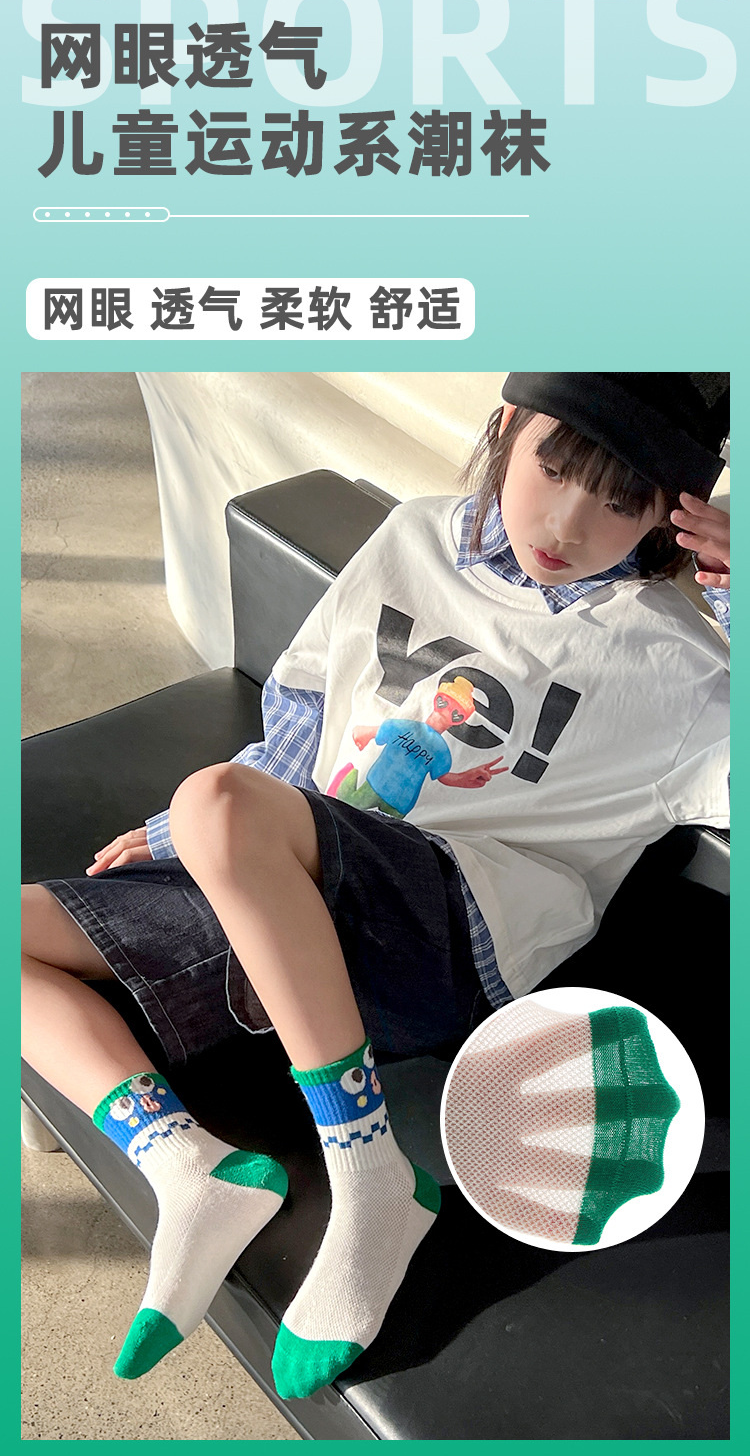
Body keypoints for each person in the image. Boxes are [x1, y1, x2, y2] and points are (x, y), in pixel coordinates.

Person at [21, 372, 730, 1402]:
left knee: (216, 801)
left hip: (451, 942)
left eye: (621, 501)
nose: (568, 523)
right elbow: (305, 716)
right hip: (296, 900)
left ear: (672, 514)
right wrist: (196, 841)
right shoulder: (415, 534)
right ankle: (189, 1171)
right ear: (506, 426)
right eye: (553, 467)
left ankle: (370, 1173)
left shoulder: (683, 665)